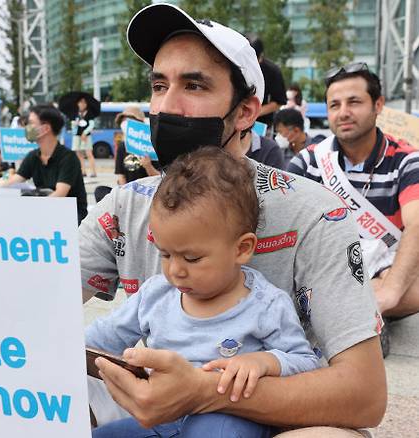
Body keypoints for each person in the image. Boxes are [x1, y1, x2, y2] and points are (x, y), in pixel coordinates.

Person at [79, 3, 385, 435]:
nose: (168, 107)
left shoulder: (314, 212)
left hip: (277, 421)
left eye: (194, 85)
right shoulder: (125, 206)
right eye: (159, 85)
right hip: (160, 417)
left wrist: (206, 391)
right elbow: (38, 304)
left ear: (245, 112)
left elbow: (365, 396)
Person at [88, 148, 319, 437]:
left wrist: (265, 362)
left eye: (192, 258)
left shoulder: (265, 304)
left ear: (242, 248)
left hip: (228, 415)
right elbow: (100, 339)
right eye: (166, 254)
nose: (176, 271)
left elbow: (305, 362)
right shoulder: (155, 295)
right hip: (164, 416)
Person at [286, 63, 419, 344]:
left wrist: (390, 292)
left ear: (378, 104)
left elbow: (417, 223)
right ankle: (368, 320)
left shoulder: (407, 160)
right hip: (326, 268)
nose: (343, 112)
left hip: (389, 274)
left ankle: (357, 315)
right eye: (334, 104)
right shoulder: (310, 160)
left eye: (354, 102)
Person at [0, 104, 88, 223]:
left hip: (71, 218)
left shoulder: (68, 158)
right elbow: (16, 179)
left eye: (31, 123)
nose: (27, 127)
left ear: (46, 128)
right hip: (45, 212)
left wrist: (33, 211)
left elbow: (60, 194)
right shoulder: (33, 156)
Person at [95, 106, 161, 203]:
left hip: (149, 196)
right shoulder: (123, 146)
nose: (126, 125)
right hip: (128, 195)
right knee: (100, 191)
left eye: (129, 121)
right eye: (124, 122)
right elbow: (121, 176)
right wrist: (125, 196)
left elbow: (162, 181)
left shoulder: (153, 146)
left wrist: (148, 166)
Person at [249, 37, 286, 133]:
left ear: (261, 56)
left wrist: (255, 112)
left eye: (255, 60)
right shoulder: (234, 66)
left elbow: (279, 101)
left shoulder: (272, 71)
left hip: (261, 124)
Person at [72, 97, 98, 177]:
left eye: (84, 103)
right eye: (80, 102)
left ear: (86, 104)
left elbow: (91, 125)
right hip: (77, 135)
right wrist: (74, 124)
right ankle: (83, 171)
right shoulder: (76, 113)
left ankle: (93, 172)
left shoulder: (89, 113)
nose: (82, 104)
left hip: (86, 136)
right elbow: (73, 125)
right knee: (79, 154)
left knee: (89, 153)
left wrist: (85, 133)